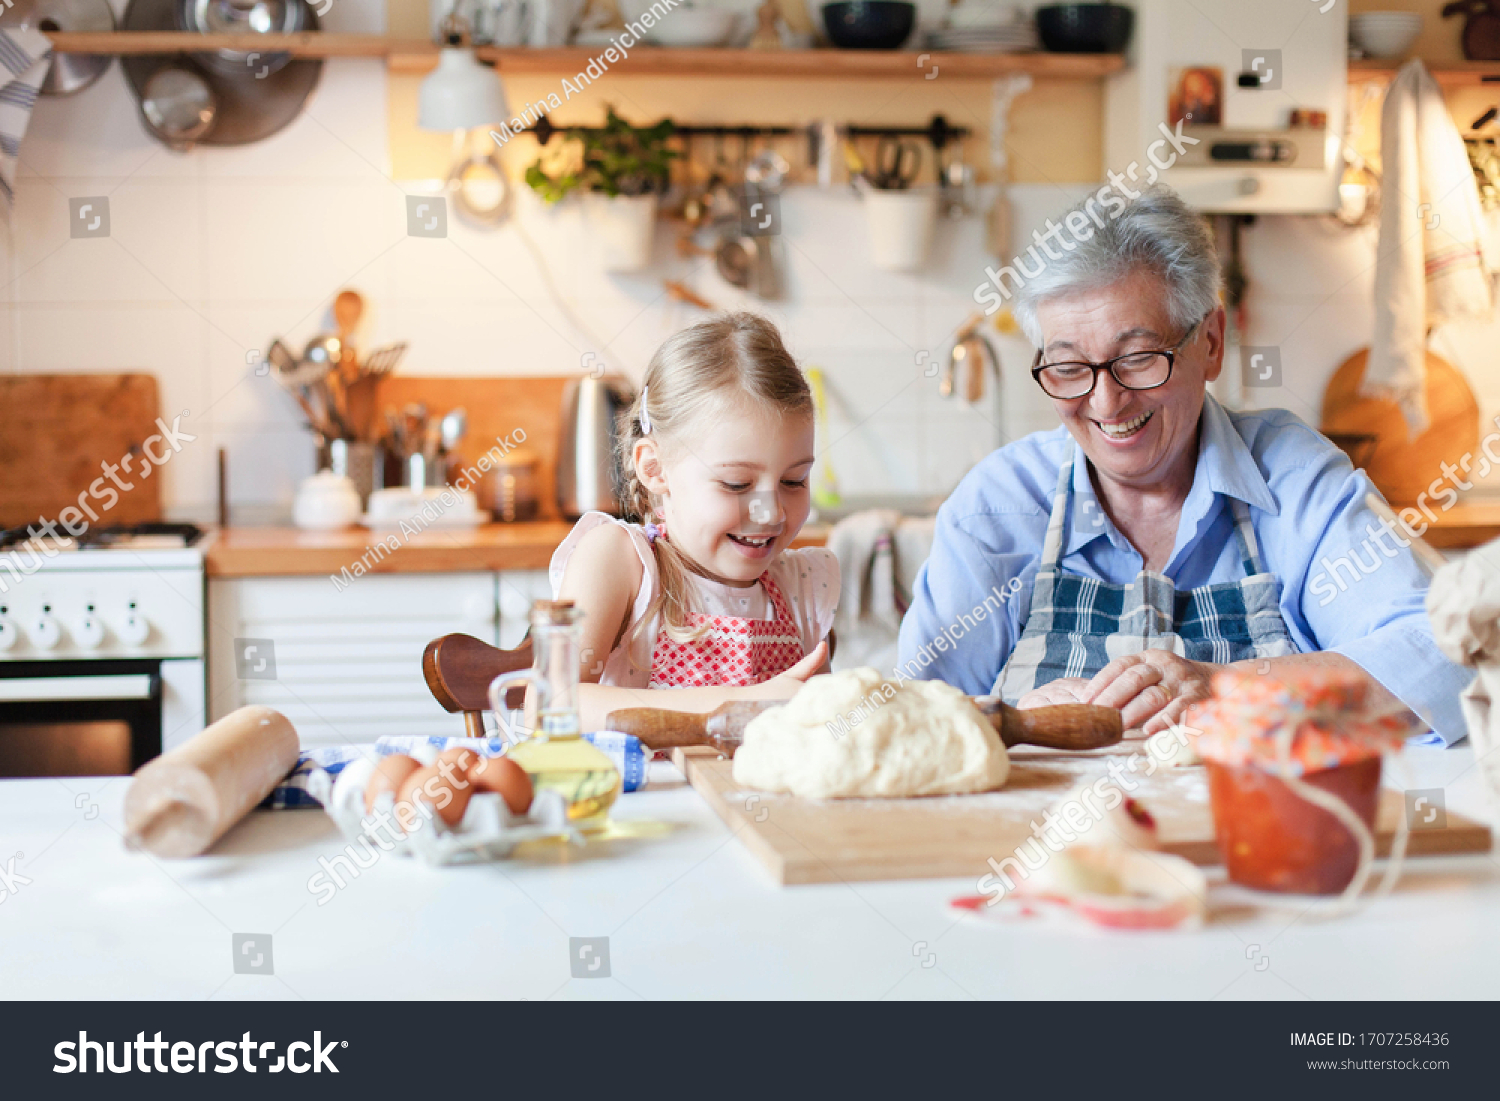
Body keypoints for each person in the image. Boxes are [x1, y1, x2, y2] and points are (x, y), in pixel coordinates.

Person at [898, 184, 1470, 744]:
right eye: (1070, 367)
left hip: (1253, 832)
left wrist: (1227, 688)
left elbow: (1445, 655)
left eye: (1139, 358)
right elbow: (912, 718)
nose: (1106, 403)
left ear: (1212, 342)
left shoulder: (1293, 481)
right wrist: (1018, 718)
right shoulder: (999, 505)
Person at [553, 313, 838, 731]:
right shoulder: (621, 562)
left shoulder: (803, 587)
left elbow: (822, 729)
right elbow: (554, 702)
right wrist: (742, 703)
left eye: (793, 481)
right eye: (737, 484)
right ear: (655, 468)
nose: (771, 512)